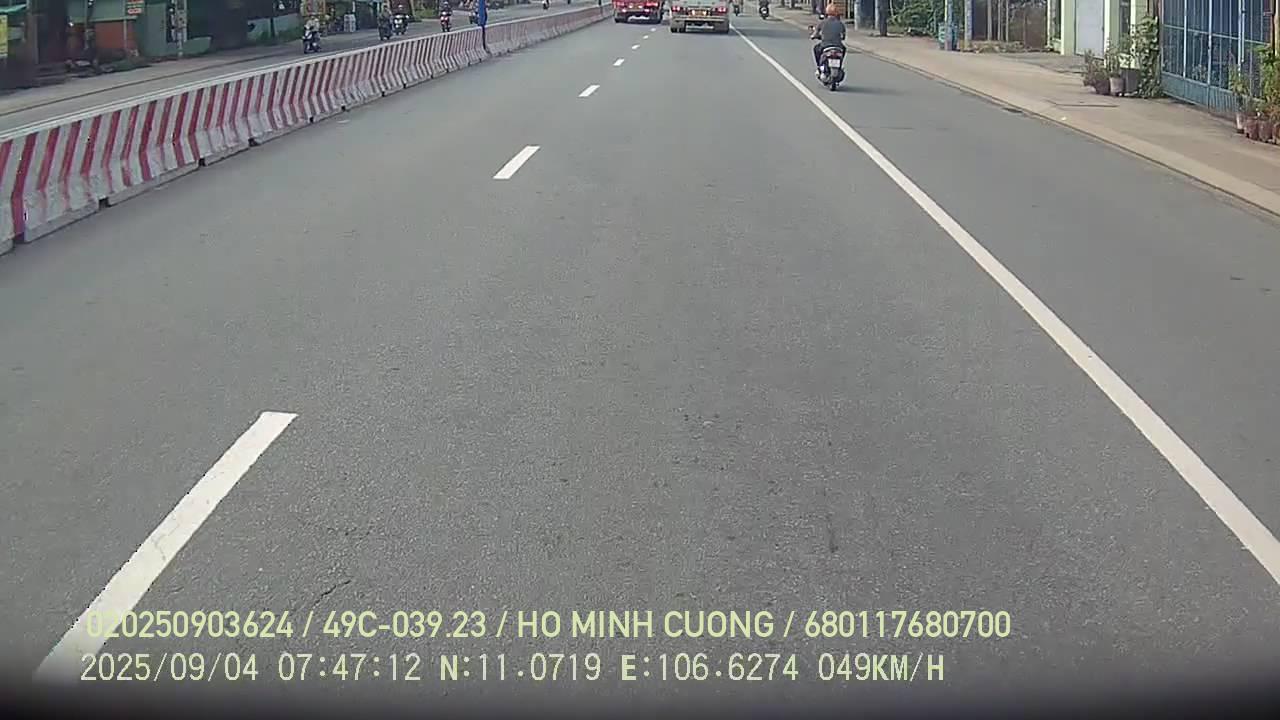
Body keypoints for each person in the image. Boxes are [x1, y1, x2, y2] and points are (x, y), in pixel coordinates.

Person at [812, 4, 845, 73]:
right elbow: (843, 36)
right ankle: (840, 65)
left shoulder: (822, 22)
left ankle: (819, 67)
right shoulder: (840, 24)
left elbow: (815, 34)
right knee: (844, 49)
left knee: (816, 49)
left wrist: (814, 36)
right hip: (838, 46)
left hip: (825, 46)